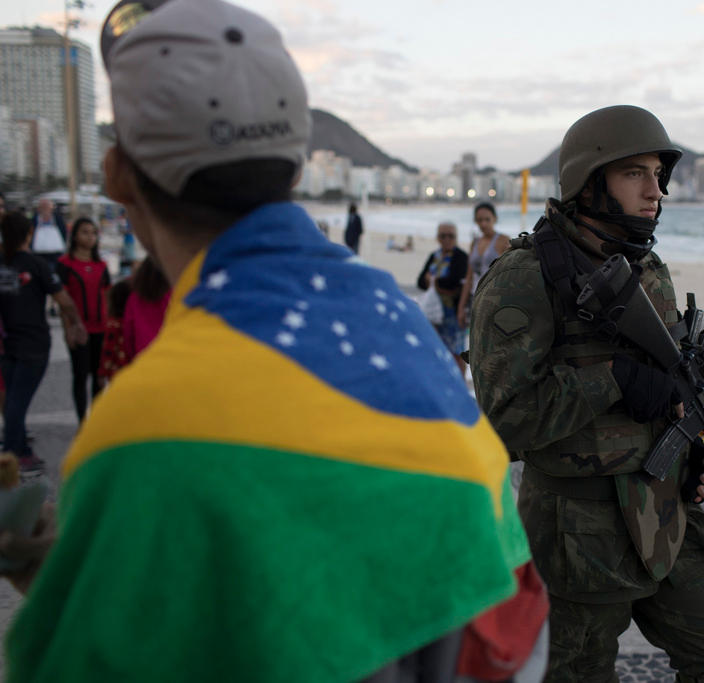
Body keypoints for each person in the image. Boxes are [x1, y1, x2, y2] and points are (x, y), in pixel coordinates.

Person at [0, 1, 528, 680]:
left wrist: (89, 577)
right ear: (296, 169)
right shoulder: (402, 328)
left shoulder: (141, 432)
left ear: (116, 175)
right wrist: (98, 566)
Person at [470, 105, 704, 681]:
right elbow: (503, 424)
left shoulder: (650, 270)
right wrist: (615, 379)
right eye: (635, 174)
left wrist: (693, 446)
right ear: (588, 181)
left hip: (667, 515)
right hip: (579, 532)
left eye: (658, 174)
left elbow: (671, 389)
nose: (656, 192)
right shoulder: (524, 278)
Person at [0, 212, 87, 472]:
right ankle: (12, 456)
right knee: (18, 401)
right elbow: (63, 299)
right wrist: (76, 324)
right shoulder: (37, 265)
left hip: (5, 343)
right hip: (33, 343)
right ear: (30, 234)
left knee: (13, 397)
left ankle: (21, 449)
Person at [56, 217, 112, 422]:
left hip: (101, 328)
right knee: (80, 376)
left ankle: (96, 420)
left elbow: (107, 296)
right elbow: (62, 300)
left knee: (99, 378)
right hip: (79, 328)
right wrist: (67, 329)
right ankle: (82, 421)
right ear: (75, 236)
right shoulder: (65, 264)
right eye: (85, 232)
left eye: (93, 233)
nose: (90, 237)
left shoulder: (101, 265)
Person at [417, 221, 469, 377]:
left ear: (456, 237)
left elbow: (455, 280)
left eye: (451, 236)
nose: (447, 239)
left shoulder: (461, 257)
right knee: (436, 349)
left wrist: (433, 280)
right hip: (434, 313)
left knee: (457, 352)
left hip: (453, 312)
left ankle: (460, 385)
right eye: (443, 236)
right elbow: (419, 281)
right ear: (437, 238)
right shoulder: (434, 256)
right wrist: (435, 281)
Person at [457, 202, 509, 329]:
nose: (483, 224)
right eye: (479, 220)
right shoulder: (475, 242)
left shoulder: (503, 240)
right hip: (475, 298)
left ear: (494, 219)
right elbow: (469, 277)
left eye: (487, 219)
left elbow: (509, 274)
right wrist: (461, 307)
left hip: (495, 299)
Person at [121, 255, 171, 361]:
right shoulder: (175, 296)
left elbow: (128, 332)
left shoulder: (134, 298)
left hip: (142, 355)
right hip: (169, 354)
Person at [30, 198, 67, 272]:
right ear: (39, 208)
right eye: (43, 207)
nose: (45, 209)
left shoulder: (57, 218)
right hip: (38, 254)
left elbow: (64, 232)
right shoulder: (34, 220)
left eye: (47, 206)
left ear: (51, 208)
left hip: (56, 254)